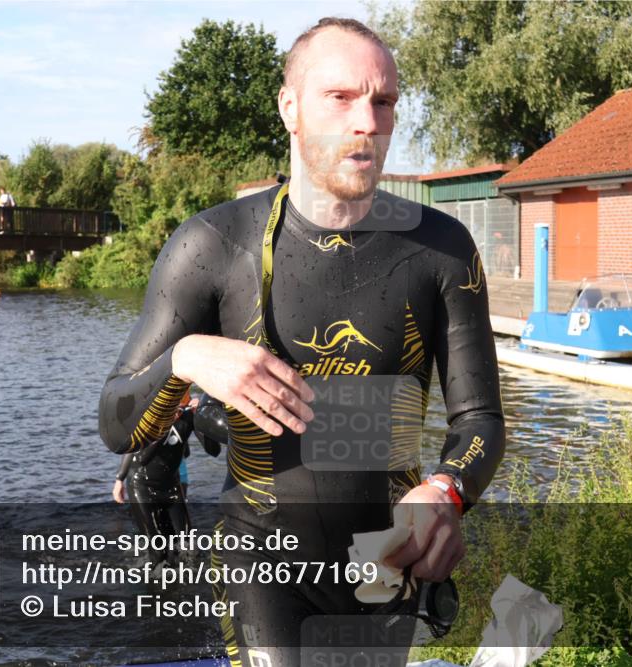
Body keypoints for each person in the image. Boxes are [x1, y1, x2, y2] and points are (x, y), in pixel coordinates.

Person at [98, 17, 505, 665]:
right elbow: (118, 422)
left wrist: (447, 490)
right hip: (262, 564)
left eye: (384, 101)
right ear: (290, 108)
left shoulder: (442, 249)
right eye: (340, 98)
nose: (367, 121)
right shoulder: (212, 244)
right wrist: (185, 358)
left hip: (386, 565)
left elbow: (480, 419)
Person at [112, 391, 195, 569]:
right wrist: (120, 478)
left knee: (186, 545)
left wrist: (203, 413)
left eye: (184, 398)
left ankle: (184, 587)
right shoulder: (150, 418)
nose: (181, 403)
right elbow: (140, 456)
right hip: (142, 485)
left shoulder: (186, 417)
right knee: (159, 550)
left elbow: (202, 450)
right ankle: (154, 588)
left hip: (171, 485)